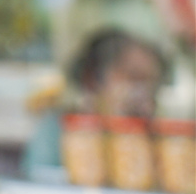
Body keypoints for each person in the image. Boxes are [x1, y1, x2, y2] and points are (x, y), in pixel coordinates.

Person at [23, 27, 167, 178]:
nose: (143, 92)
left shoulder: (157, 141)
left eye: (152, 82)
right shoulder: (56, 132)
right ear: (92, 79)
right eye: (133, 77)